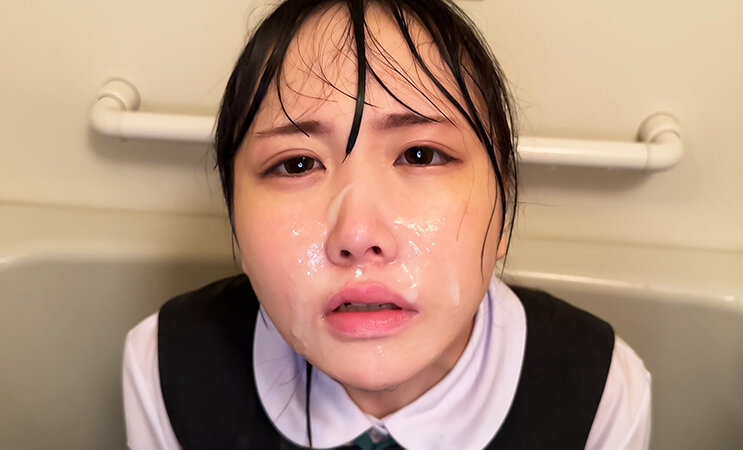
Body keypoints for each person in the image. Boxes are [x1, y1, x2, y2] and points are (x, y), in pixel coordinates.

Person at [122, 0, 651, 448]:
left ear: (504, 206)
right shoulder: (165, 366)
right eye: (297, 164)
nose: (357, 235)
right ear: (234, 216)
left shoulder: (602, 392)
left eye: (421, 155)